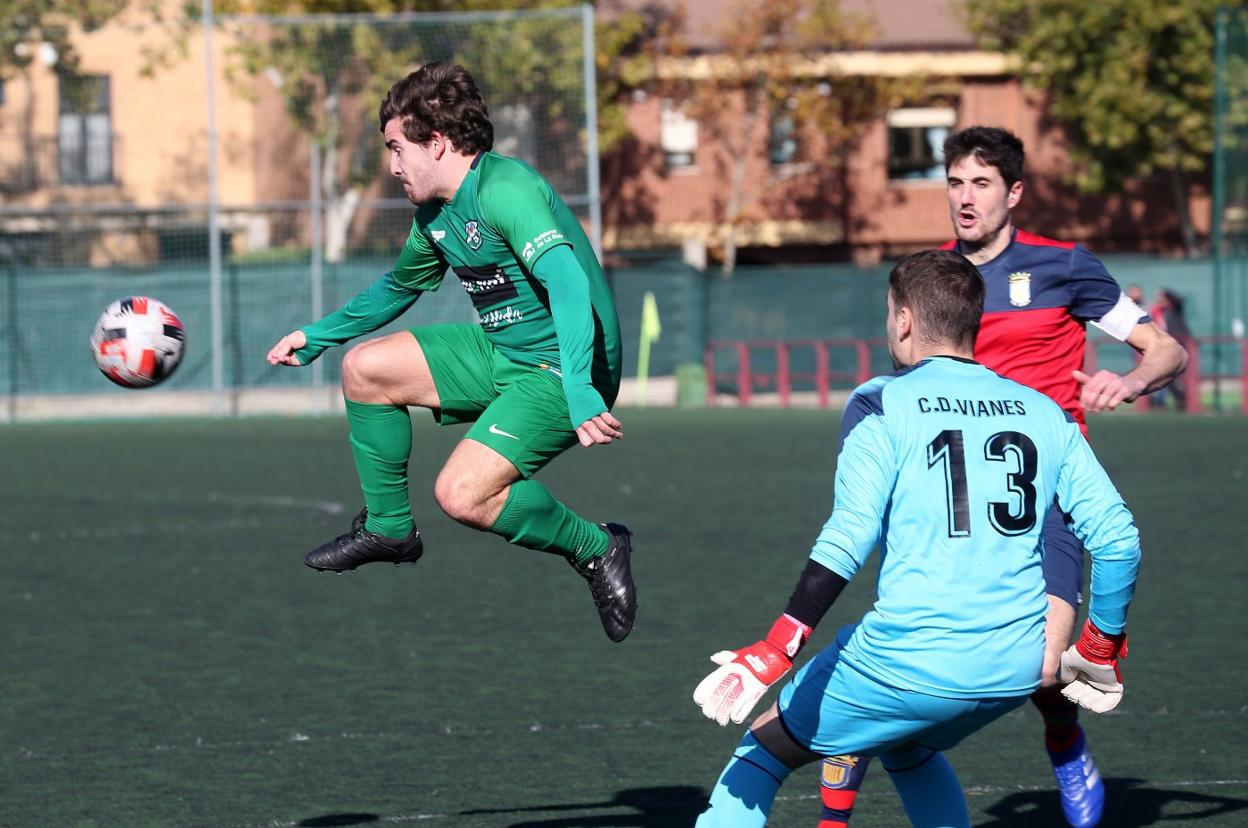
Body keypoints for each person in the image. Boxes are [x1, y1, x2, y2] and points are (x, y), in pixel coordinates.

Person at [814, 126, 1186, 828]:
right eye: (955, 182)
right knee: (892, 654)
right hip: (946, 495)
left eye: (981, 183)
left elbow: (1165, 350)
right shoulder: (932, 282)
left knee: (1042, 666)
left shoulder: (1064, 268)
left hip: (1042, 500)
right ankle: (836, 811)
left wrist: (1131, 380)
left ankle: (1063, 735)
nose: (965, 197)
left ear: (1013, 192)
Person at [692, 249, 1140, 828]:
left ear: (903, 319)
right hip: (1016, 669)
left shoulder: (881, 401)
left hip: (909, 660)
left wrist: (777, 646)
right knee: (908, 744)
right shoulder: (1044, 411)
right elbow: (1118, 539)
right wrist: (1100, 643)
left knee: (761, 753)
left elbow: (849, 535)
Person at [266, 62, 637, 642]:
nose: (391, 166)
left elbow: (567, 283)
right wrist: (318, 335)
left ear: (436, 143)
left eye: (396, 147)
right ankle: (390, 530)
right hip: (498, 351)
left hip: (562, 367)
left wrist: (579, 387)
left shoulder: (505, 188)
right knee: (365, 369)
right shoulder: (435, 216)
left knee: (461, 496)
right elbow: (397, 288)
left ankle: (598, 545)